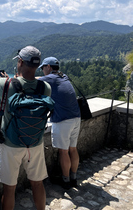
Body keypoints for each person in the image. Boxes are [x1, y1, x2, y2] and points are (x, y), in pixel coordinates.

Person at [0, 46, 51, 210]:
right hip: (35, 143)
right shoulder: (45, 87)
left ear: (20, 62)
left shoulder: (7, 85)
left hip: (11, 144)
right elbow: (29, 87)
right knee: (37, 184)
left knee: (9, 189)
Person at [38, 57, 81, 190]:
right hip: (76, 117)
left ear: (49, 67)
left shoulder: (50, 78)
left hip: (63, 120)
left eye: (43, 67)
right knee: (72, 149)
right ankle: (73, 178)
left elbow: (30, 81)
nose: (42, 70)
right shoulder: (64, 76)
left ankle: (65, 181)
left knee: (63, 152)